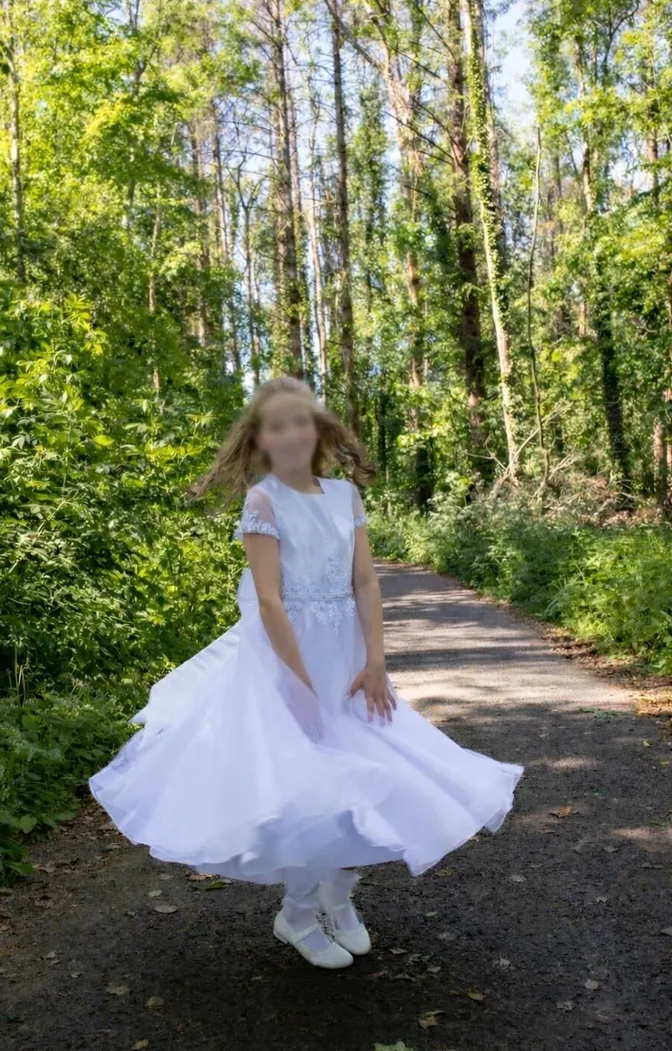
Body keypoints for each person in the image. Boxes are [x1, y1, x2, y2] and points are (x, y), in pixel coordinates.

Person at [89, 376, 524, 969]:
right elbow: (269, 601)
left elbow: (366, 582)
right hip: (285, 663)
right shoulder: (263, 502)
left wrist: (375, 663)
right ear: (260, 439)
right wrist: (296, 685)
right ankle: (296, 914)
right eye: (276, 425)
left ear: (317, 427)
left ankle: (338, 896)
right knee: (306, 790)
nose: (291, 433)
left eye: (300, 421)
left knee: (376, 772)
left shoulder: (346, 496)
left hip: (347, 659)